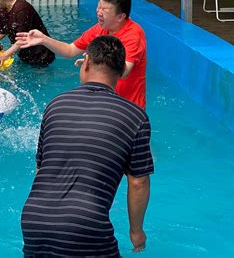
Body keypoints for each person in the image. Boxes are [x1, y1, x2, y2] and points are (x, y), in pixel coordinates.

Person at [21, 35, 154, 257]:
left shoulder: (55, 105)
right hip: (85, 225)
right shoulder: (135, 117)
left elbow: (40, 170)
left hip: (34, 219)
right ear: (121, 72)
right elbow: (138, 181)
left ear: (87, 63)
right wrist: (136, 231)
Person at [16, 0, 147, 109]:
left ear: (120, 17)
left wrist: (96, 61)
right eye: (98, 7)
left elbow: (124, 73)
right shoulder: (101, 29)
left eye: (104, 10)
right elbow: (70, 50)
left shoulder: (134, 35)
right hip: (105, 102)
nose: (99, 13)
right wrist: (44, 40)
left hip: (128, 106)